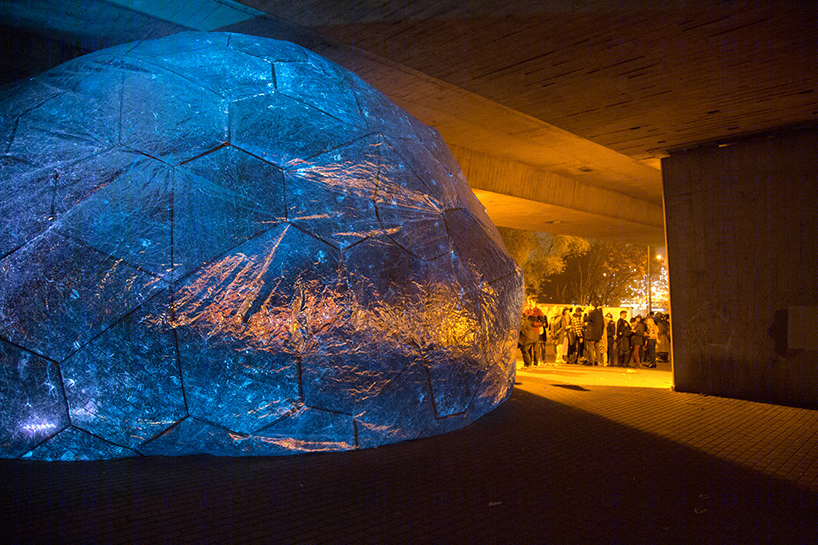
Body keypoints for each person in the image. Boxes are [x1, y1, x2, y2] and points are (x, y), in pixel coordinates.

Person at [583, 301, 605, 366]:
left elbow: (585, 319)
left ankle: (591, 361)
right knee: (597, 347)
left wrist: (585, 313)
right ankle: (598, 361)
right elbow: (602, 324)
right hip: (598, 334)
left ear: (592, 305)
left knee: (590, 347)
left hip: (591, 333)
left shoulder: (592, 313)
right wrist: (601, 332)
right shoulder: (600, 314)